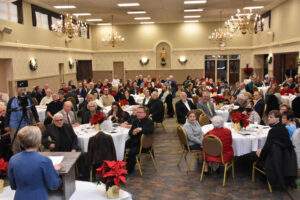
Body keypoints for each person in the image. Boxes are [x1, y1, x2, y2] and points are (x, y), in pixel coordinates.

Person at [8, 126, 61, 200]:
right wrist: (54, 171)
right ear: (38, 141)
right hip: (39, 196)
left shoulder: (13, 159)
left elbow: (13, 185)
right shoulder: (44, 161)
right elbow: (54, 185)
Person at [256, 110, 297, 189]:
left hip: (275, 159)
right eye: (268, 116)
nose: (268, 118)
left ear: (278, 119)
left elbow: (266, 148)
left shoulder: (273, 130)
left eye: (271, 117)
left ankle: (263, 176)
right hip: (286, 158)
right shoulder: (283, 128)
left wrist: (260, 153)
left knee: (258, 153)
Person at [6, 87, 40, 153]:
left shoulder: (29, 98)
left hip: (26, 122)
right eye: (20, 89)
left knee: (29, 140)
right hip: (14, 123)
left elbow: (33, 110)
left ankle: (31, 155)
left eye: (24, 89)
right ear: (17, 90)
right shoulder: (11, 100)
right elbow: (8, 112)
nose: (22, 90)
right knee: (15, 143)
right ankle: (17, 157)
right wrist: (6, 125)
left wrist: (37, 120)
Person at [126, 106, 154, 174]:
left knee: (131, 152)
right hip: (134, 141)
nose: (138, 114)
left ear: (145, 113)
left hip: (143, 145)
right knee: (121, 146)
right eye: (137, 112)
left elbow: (150, 130)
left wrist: (140, 129)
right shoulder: (136, 120)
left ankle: (129, 170)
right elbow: (130, 132)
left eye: (140, 112)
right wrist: (133, 132)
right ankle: (120, 165)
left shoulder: (149, 121)